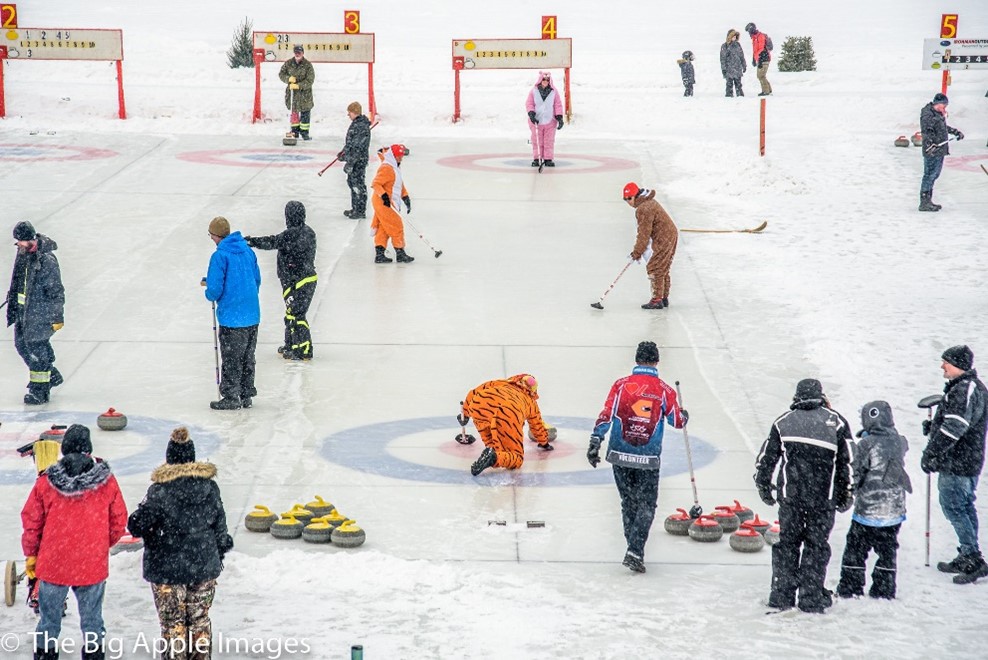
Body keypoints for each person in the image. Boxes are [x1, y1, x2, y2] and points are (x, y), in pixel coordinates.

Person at [21, 424, 128, 660]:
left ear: (64, 449)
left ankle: (45, 654)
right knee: (92, 621)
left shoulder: (46, 482)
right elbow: (119, 521)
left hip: (53, 564)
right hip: (91, 564)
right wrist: (100, 544)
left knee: (49, 622)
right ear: (88, 449)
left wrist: (32, 553)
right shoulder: (106, 482)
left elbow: (31, 522)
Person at [128, 427, 234, 660]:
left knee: (173, 624)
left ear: (169, 459)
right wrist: (215, 554)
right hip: (203, 566)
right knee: (199, 621)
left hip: (167, 570)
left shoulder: (159, 491)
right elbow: (221, 528)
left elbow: (136, 525)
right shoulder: (209, 488)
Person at [587, 341, 687, 573]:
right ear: (657, 361)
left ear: (636, 359)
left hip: (620, 454)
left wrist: (595, 441)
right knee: (647, 505)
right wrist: (685, 415)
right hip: (648, 458)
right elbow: (677, 421)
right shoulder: (664, 390)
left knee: (628, 503)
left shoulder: (621, 385)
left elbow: (606, 414)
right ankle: (635, 550)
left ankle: (634, 549)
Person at [754, 378, 852, 613]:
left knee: (787, 544)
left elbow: (766, 459)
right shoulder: (836, 423)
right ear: (821, 396)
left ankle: (781, 595)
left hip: (791, 497)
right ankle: (811, 597)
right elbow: (848, 462)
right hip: (823, 499)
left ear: (797, 397)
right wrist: (845, 492)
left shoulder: (783, 422)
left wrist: (764, 487)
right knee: (816, 546)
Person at [921, 345, 988, 584]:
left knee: (955, 507)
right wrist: (934, 428)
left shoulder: (964, 389)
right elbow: (958, 423)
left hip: (959, 462)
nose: (942, 366)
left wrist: (932, 452)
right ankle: (968, 551)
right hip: (966, 459)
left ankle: (973, 557)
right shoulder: (969, 388)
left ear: (958, 364)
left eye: (946, 362)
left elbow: (956, 426)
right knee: (964, 506)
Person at [836, 401, 912, 599]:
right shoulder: (900, 441)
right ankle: (884, 588)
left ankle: (850, 587)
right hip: (894, 509)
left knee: (856, 548)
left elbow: (857, 471)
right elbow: (894, 446)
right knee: (887, 549)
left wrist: (848, 492)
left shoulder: (866, 444)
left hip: (869, 509)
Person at [245, 201, 317, 361]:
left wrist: (252, 241)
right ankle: (291, 344)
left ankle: (304, 349)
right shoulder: (308, 232)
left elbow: (272, 241)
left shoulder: (291, 234)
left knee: (296, 315)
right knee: (291, 314)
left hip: (297, 282)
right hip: (304, 279)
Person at [203, 216, 261, 410]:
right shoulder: (247, 251)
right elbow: (256, 279)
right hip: (252, 314)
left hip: (232, 317)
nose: (211, 238)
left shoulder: (220, 256)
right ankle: (245, 394)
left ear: (216, 235)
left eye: (211, 235)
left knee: (231, 357)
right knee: (247, 355)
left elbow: (215, 290)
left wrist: (208, 289)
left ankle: (230, 395)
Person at [6, 221, 65, 405]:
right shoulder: (23, 254)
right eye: (18, 242)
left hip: (40, 313)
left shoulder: (46, 260)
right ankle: (51, 374)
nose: (20, 245)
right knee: (21, 345)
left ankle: (38, 391)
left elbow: (56, 291)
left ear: (31, 239)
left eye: (22, 241)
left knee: (37, 351)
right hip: (23, 312)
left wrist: (57, 316)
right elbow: (19, 280)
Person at [459, 374, 553, 476]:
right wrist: (544, 443)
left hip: (480, 405)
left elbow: (474, 392)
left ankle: (492, 450)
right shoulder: (531, 402)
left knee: (492, 442)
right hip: (509, 411)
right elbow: (537, 426)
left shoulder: (502, 383)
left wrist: (465, 414)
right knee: (516, 457)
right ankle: (494, 458)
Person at [622, 182, 679, 310]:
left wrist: (637, 252)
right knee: (663, 268)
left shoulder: (644, 209)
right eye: (625, 199)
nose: (628, 202)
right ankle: (663, 298)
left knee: (655, 267)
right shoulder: (648, 202)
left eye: (629, 198)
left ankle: (657, 300)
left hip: (664, 237)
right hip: (670, 235)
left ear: (636, 196)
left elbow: (644, 234)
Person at [919, 93, 964, 212]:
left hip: (939, 149)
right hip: (932, 150)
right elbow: (927, 131)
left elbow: (942, 127)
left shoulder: (937, 114)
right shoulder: (928, 115)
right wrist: (930, 144)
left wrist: (955, 132)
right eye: (943, 105)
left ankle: (928, 200)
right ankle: (924, 201)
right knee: (929, 175)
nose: (944, 108)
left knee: (934, 175)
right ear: (937, 103)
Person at [371, 144, 414, 264]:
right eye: (399, 156)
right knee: (397, 226)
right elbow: (376, 183)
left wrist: (405, 197)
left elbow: (398, 184)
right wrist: (384, 196)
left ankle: (379, 254)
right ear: (393, 155)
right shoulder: (387, 167)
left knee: (384, 228)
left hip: (388, 201)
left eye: (402, 156)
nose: (401, 158)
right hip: (384, 202)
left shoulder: (395, 167)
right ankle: (400, 253)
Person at [339, 101, 372, 219]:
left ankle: (360, 210)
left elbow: (358, 147)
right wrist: (344, 153)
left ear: (355, 112)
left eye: (350, 113)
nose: (348, 115)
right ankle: (355, 208)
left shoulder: (360, 126)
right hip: (355, 159)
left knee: (358, 184)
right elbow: (351, 143)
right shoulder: (356, 124)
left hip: (358, 161)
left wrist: (351, 162)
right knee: (352, 183)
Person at [525, 71, 564, 167]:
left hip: (550, 121)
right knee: (537, 140)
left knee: (549, 140)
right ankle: (537, 158)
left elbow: (557, 104)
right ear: (540, 80)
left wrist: (559, 117)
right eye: (544, 79)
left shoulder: (554, 92)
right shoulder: (533, 91)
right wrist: (531, 113)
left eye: (547, 80)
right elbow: (529, 103)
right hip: (536, 121)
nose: (545, 81)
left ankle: (548, 159)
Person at [278, 44, 315, 141]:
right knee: (294, 113)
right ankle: (294, 131)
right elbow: (281, 74)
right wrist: (288, 79)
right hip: (293, 94)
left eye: (299, 52)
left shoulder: (308, 65)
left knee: (305, 113)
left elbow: (310, 80)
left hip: (305, 94)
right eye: (296, 52)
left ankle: (304, 133)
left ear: (303, 53)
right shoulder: (288, 63)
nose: (297, 54)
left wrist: (299, 85)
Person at [745, 23, 773, 96]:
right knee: (762, 75)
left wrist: (760, 60)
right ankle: (768, 90)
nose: (749, 33)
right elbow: (755, 50)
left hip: (764, 58)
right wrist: (754, 59)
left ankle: (766, 91)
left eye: (749, 31)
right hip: (761, 59)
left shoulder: (760, 37)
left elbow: (761, 49)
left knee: (760, 76)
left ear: (752, 29)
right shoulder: (755, 38)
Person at [720, 29, 747, 97]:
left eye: (735, 36)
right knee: (729, 85)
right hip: (729, 69)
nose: (734, 38)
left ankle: (740, 96)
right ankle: (729, 97)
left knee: (738, 84)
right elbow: (722, 59)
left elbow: (741, 56)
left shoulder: (738, 45)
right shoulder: (724, 46)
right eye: (733, 36)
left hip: (737, 68)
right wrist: (723, 69)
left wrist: (744, 65)